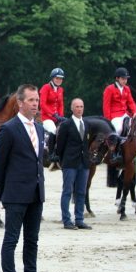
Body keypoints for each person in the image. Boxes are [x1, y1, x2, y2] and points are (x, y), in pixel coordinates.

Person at [0, 84, 51, 272]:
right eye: (31, 100)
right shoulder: (8, 129)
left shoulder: (38, 128)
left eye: (37, 100)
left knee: (32, 240)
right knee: (11, 240)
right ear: (20, 103)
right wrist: (3, 191)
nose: (35, 104)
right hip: (15, 193)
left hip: (36, 192)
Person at [56, 98, 92, 230]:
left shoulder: (86, 124)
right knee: (67, 191)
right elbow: (60, 145)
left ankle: (79, 219)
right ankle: (66, 220)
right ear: (72, 108)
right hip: (70, 162)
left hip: (84, 163)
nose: (79, 109)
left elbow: (86, 143)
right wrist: (62, 160)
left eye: (81, 106)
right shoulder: (66, 124)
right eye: (77, 106)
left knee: (81, 192)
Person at [102, 67, 136, 164]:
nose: (125, 81)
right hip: (115, 116)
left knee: (134, 129)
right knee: (117, 130)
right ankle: (114, 153)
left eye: (126, 79)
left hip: (125, 114)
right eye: (123, 78)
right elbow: (106, 106)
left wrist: (135, 112)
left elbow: (131, 102)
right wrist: (108, 121)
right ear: (117, 78)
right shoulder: (109, 89)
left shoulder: (127, 89)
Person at [39, 68, 66, 163]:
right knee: (53, 131)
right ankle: (51, 154)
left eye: (61, 78)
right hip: (46, 117)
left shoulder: (60, 89)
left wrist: (61, 116)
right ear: (52, 78)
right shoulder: (45, 87)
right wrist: (53, 114)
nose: (59, 80)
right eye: (57, 78)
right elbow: (42, 104)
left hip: (57, 117)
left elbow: (61, 104)